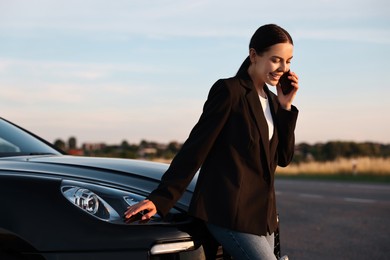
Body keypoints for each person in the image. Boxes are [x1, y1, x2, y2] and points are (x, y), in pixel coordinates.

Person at [125, 24, 299, 260]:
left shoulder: (271, 99)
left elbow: (284, 158)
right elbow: (196, 147)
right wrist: (161, 198)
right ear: (254, 55)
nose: (283, 68)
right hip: (228, 214)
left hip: (262, 218)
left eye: (288, 61)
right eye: (276, 59)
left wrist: (286, 107)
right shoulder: (230, 91)